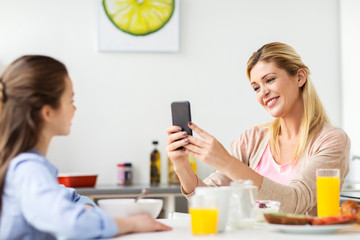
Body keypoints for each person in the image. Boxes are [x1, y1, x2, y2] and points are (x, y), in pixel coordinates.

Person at [166, 42, 350, 216]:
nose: (263, 92)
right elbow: (207, 199)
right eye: (256, 88)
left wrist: (227, 163)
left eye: (269, 80)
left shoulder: (331, 140)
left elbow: (295, 202)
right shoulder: (252, 139)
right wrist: (181, 165)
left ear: (300, 77)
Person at [0, 55, 171, 240]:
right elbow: (72, 225)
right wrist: (133, 224)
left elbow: (70, 198)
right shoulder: (28, 169)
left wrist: (86, 210)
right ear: (47, 112)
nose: (75, 110)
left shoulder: (27, 167)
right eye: (71, 101)